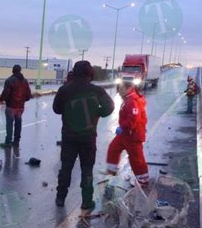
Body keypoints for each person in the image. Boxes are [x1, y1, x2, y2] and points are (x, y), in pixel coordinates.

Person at [53, 61, 115, 215]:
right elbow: (110, 107)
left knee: (66, 167)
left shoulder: (65, 90)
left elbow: (56, 109)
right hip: (88, 138)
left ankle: (60, 197)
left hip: (69, 136)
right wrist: (97, 112)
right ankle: (86, 201)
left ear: (74, 73)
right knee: (87, 169)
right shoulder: (97, 90)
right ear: (90, 74)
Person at [106, 81, 149, 186]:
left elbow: (133, 119)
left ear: (129, 88)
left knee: (136, 158)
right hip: (125, 134)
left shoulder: (132, 101)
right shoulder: (127, 99)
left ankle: (143, 180)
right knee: (113, 149)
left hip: (133, 135)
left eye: (121, 89)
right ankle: (111, 172)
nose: (119, 92)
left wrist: (123, 127)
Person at [0, 64, 32, 148]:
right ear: (20, 70)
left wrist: (1, 99)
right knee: (18, 123)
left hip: (11, 106)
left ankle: (8, 142)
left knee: (9, 124)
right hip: (20, 107)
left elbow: (6, 93)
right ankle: (16, 141)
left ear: (12, 70)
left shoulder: (10, 80)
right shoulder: (25, 81)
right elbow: (28, 95)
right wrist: (22, 100)